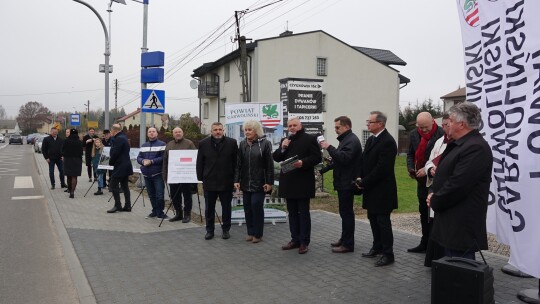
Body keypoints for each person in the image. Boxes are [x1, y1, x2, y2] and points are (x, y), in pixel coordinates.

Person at [427, 102, 492, 260]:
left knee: (460, 273)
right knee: (451, 270)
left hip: (461, 223)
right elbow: (444, 172)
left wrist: (436, 199)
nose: (448, 126)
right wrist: (432, 191)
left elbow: (458, 184)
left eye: (451, 122)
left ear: (461, 124)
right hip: (451, 220)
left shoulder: (475, 147)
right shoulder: (460, 144)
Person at [273, 117, 321, 254]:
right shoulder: (286, 140)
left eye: (295, 125)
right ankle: (295, 239)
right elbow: (276, 157)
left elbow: (317, 157)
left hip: (303, 182)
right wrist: (282, 148)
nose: (292, 127)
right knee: (292, 213)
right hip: (288, 182)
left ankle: (304, 242)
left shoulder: (310, 139)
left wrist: (303, 162)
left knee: (303, 213)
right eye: (290, 126)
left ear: (300, 126)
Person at [357, 111, 397, 267]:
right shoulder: (371, 140)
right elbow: (364, 160)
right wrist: (360, 177)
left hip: (382, 190)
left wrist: (364, 181)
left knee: (383, 222)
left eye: (370, 122)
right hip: (371, 189)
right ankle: (377, 247)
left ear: (380, 124)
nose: (367, 124)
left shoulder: (387, 141)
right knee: (372, 219)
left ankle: (388, 254)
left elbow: (383, 168)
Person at [319, 116, 362, 253]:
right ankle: (344, 239)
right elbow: (341, 157)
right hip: (343, 181)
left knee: (347, 213)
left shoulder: (352, 140)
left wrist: (329, 147)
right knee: (344, 213)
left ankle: (348, 244)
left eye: (338, 127)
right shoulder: (346, 139)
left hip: (347, 182)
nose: (335, 130)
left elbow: (344, 158)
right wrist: (331, 159)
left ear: (346, 127)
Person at [406, 112, 444, 253]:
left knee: (434, 213)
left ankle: (434, 245)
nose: (423, 130)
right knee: (423, 211)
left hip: (434, 179)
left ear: (433, 122)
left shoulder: (441, 134)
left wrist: (426, 168)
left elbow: (441, 156)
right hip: (421, 180)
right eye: (420, 127)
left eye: (426, 127)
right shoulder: (414, 134)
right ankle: (424, 241)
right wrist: (411, 168)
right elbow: (410, 153)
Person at [234, 120, 274, 244]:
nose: (247, 132)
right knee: (247, 208)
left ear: (256, 131)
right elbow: (238, 164)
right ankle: (250, 232)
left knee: (256, 206)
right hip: (246, 182)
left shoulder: (265, 144)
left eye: (249, 129)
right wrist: (236, 180)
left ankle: (258, 234)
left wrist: (269, 182)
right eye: (245, 130)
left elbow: (269, 165)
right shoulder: (242, 144)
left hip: (260, 182)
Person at [196, 122, 238, 240]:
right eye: (215, 130)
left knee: (226, 208)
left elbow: (236, 163)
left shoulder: (232, 143)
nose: (218, 132)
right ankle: (209, 230)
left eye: (220, 129)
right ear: (211, 131)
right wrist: (200, 178)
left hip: (226, 181)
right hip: (209, 181)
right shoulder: (203, 143)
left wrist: (236, 179)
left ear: (223, 130)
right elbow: (200, 162)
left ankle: (226, 230)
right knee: (209, 208)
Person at [424, 113, 451, 267]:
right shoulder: (440, 141)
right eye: (444, 125)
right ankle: (434, 260)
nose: (444, 127)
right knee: (435, 225)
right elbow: (429, 161)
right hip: (436, 185)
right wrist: (430, 170)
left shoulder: (459, 142)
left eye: (447, 124)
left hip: (446, 188)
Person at [163, 127, 197, 223]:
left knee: (187, 195)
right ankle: (178, 214)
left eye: (179, 132)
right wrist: (165, 175)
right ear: (173, 134)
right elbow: (165, 160)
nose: (178, 133)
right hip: (173, 176)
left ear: (183, 133)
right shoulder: (169, 144)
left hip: (186, 175)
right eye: (176, 132)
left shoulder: (189, 143)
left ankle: (187, 214)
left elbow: (195, 158)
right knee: (174, 196)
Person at [137, 127, 167, 219]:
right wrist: (143, 161)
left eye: (153, 131)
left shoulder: (162, 144)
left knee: (159, 195)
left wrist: (151, 161)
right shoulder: (144, 145)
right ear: (147, 134)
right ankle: (154, 211)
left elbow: (163, 158)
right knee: (151, 194)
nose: (151, 133)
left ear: (157, 133)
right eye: (149, 132)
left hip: (157, 174)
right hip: (147, 174)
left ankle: (160, 213)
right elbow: (139, 157)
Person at [107, 124, 133, 213]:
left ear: (114, 131)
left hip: (120, 166)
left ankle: (118, 205)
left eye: (111, 131)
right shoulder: (124, 137)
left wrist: (110, 162)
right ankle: (128, 206)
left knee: (113, 185)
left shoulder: (119, 139)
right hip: (125, 165)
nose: (111, 133)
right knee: (124, 186)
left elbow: (115, 153)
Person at [62, 128, 83, 199]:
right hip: (77, 160)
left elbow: (62, 150)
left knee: (68, 176)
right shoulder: (79, 142)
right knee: (74, 176)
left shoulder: (66, 141)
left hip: (68, 160)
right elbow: (81, 152)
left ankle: (69, 189)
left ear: (70, 133)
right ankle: (72, 192)